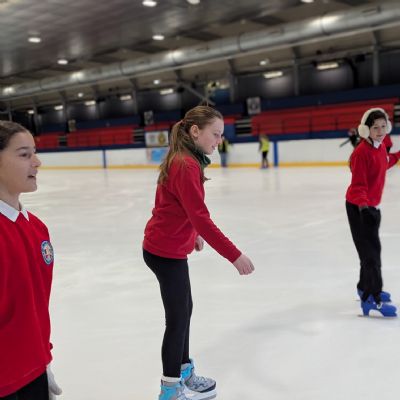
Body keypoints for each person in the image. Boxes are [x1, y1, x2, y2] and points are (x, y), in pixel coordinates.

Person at [142, 106, 255, 400]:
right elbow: (201, 217)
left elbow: (180, 207)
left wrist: (192, 235)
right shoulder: (186, 164)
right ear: (195, 131)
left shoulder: (187, 158)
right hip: (165, 252)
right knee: (178, 319)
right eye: (215, 134)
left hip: (169, 247)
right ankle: (170, 389)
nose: (219, 140)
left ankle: (183, 372)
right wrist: (234, 255)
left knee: (184, 311)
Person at [0, 121, 62, 399]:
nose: (37, 162)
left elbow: (34, 304)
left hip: (34, 370)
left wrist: (43, 358)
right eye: (24, 154)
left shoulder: (36, 228)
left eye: (34, 153)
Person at [345, 108, 400, 317]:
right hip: (359, 208)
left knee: (369, 253)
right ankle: (372, 298)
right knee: (371, 256)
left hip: (371, 207)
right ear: (366, 130)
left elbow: (386, 162)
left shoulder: (380, 148)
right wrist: (363, 208)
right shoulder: (361, 153)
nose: (380, 131)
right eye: (375, 127)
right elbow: (358, 185)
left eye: (383, 126)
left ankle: (363, 288)